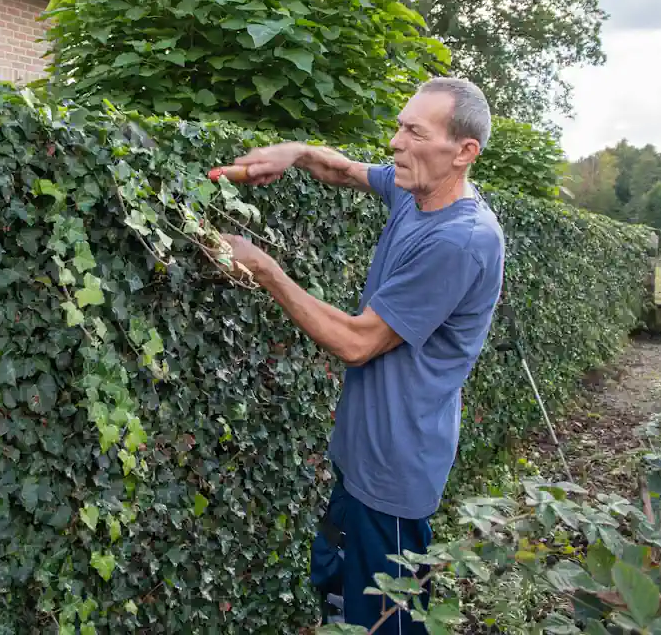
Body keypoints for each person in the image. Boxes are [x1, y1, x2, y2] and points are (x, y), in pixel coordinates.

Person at [210, 77, 505, 631]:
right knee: (338, 592)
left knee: (386, 621)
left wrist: (265, 269)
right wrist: (295, 153)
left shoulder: (460, 240)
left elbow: (358, 342)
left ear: (464, 151)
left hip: (395, 472)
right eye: (399, 127)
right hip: (361, 454)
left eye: (415, 132)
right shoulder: (415, 191)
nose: (396, 142)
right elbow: (345, 170)